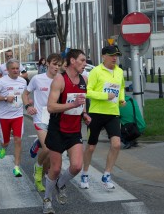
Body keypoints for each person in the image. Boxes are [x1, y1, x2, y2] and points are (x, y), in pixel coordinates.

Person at [42, 49, 91, 214]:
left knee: (77, 166)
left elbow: (81, 100)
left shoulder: (84, 79)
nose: (85, 63)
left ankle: (60, 184)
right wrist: (72, 105)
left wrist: (84, 114)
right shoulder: (59, 80)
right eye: (82, 60)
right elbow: (50, 107)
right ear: (72, 61)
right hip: (58, 129)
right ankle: (47, 200)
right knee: (55, 169)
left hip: (74, 129)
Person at [81, 45, 126, 190]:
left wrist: (121, 99)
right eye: (112, 55)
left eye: (116, 55)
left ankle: (107, 174)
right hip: (96, 113)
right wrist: (105, 96)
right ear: (103, 56)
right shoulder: (95, 71)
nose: (115, 58)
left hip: (113, 113)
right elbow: (87, 91)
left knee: (116, 144)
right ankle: (85, 173)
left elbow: (121, 88)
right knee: (91, 146)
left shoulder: (119, 71)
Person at [22, 53, 62, 192]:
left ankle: (44, 172)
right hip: (40, 117)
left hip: (56, 118)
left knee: (52, 154)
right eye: (54, 64)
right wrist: (28, 107)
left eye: (59, 65)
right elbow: (25, 94)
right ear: (47, 64)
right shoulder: (37, 79)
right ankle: (38, 169)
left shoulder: (61, 80)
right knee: (48, 148)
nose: (56, 67)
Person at [0, 58, 27, 177]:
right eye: (13, 69)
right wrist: (5, 98)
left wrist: (28, 102)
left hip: (18, 115)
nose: (16, 70)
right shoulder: (2, 81)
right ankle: (4, 147)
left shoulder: (23, 81)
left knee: (18, 140)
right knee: (6, 141)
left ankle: (16, 167)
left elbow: (25, 95)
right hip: (4, 117)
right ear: (8, 70)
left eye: (17, 68)